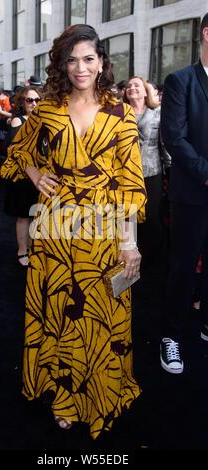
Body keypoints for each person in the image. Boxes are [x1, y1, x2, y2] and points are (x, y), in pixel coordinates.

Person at [1, 24, 146, 439]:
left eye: (88, 58)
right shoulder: (47, 108)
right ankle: (64, 398)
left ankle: (99, 393)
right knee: (62, 316)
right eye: (71, 59)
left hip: (102, 232)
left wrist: (129, 242)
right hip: (54, 231)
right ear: (62, 65)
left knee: (98, 317)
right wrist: (35, 173)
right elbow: (18, 150)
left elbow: (130, 184)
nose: (80, 67)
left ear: (101, 62)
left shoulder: (121, 114)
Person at [160, 13, 208, 374]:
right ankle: (171, 336)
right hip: (192, 194)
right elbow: (174, 138)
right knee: (182, 268)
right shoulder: (180, 81)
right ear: (206, 34)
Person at [124, 76, 170, 269]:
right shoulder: (119, 114)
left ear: (145, 91)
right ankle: (129, 258)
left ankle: (150, 260)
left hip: (152, 173)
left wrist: (170, 170)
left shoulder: (158, 113)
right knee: (129, 218)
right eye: (128, 86)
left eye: (137, 85)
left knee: (151, 219)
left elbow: (164, 144)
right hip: (125, 174)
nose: (131, 88)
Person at [4, 86, 43, 267]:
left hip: (42, 177)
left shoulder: (45, 121)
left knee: (37, 214)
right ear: (22, 102)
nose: (33, 103)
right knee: (23, 216)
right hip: (22, 177)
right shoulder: (17, 122)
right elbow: (15, 152)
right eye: (29, 100)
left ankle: (34, 248)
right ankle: (22, 250)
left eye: (37, 100)